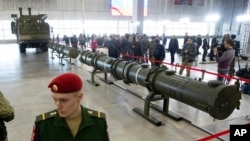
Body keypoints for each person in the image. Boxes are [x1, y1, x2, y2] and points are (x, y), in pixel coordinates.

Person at [31, 73, 109, 141]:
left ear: (80, 97)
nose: (58, 106)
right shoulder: (43, 125)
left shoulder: (99, 123)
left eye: (64, 100)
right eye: (55, 99)